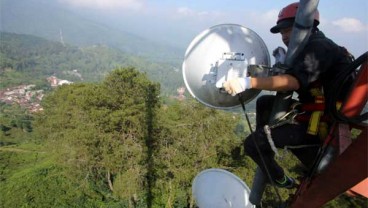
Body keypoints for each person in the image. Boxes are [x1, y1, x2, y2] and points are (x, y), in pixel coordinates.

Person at [223, 2, 354, 188]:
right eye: (282, 32)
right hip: (316, 112)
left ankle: (281, 179)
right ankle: (266, 142)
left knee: (252, 145)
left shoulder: (318, 49)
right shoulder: (311, 47)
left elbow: (293, 82)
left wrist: (248, 83)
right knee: (265, 103)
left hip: (323, 124)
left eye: (288, 30)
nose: (284, 37)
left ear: (308, 26)